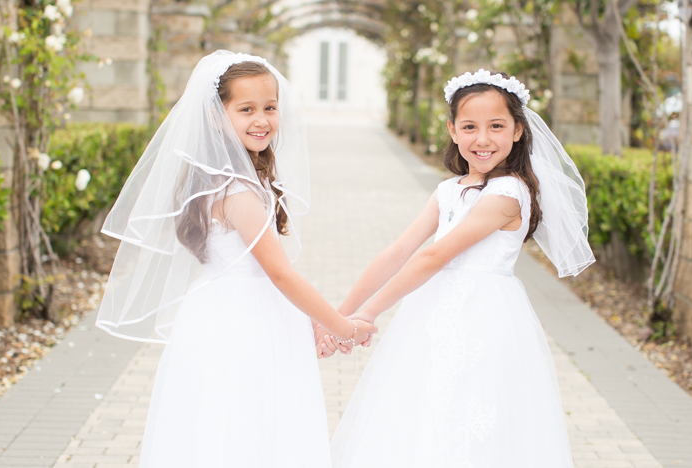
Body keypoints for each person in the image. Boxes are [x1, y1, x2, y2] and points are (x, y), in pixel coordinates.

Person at [95, 51, 375, 468]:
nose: (261, 119)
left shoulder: (220, 179)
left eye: (270, 108)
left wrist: (311, 322)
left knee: (224, 425)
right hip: (244, 320)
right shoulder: (239, 192)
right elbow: (279, 273)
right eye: (246, 109)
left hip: (218, 308)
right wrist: (341, 325)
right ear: (215, 115)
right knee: (247, 425)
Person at [322, 69, 595, 467]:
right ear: (452, 130)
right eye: (469, 126)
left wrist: (368, 313)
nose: (482, 139)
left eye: (496, 126)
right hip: (435, 315)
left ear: (518, 130)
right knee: (425, 413)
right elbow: (397, 252)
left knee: (472, 417)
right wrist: (340, 316)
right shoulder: (448, 191)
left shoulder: (509, 193)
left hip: (483, 320)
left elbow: (434, 257)